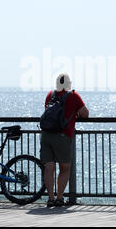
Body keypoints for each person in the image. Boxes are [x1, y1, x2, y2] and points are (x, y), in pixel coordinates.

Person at [40, 73, 89, 207]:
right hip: (63, 135)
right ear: (68, 84)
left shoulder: (50, 95)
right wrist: (75, 113)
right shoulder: (73, 96)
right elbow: (85, 113)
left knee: (49, 167)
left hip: (46, 134)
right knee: (65, 168)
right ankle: (60, 198)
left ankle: (50, 198)